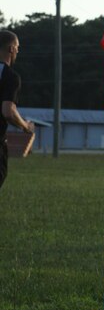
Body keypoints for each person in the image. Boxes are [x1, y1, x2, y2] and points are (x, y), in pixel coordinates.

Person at [0, 30, 35, 190]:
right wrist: (25, 126)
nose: (18, 51)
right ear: (11, 49)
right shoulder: (9, 76)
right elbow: (8, 111)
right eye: (17, 47)